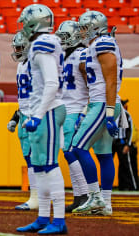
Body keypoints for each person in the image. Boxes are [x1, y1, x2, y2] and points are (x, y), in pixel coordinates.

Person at [16, 4, 67, 234]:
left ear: (33, 22)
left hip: (47, 110)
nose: (23, 26)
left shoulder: (42, 44)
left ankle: (59, 221)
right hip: (42, 110)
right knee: (38, 167)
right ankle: (43, 217)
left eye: (25, 22)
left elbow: (52, 83)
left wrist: (37, 115)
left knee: (50, 166)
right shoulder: (45, 43)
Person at [71, 10, 123, 216]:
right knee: (104, 154)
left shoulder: (103, 43)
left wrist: (109, 111)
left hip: (103, 104)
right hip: (101, 103)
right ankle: (106, 203)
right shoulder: (96, 45)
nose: (82, 32)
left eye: (84, 28)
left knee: (78, 146)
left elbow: (111, 80)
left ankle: (95, 196)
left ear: (94, 27)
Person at [55, 21, 90, 212]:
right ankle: (79, 195)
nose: (62, 41)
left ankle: (85, 194)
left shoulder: (81, 55)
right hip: (65, 108)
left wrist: (86, 109)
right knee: (68, 152)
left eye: (65, 37)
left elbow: (90, 83)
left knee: (70, 152)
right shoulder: (65, 56)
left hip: (76, 107)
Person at [7, 31, 39, 211]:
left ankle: (39, 196)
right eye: (16, 47)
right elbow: (23, 98)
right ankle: (35, 195)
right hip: (24, 115)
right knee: (29, 158)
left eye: (20, 47)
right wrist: (16, 116)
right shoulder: (21, 66)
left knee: (38, 158)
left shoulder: (35, 65)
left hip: (35, 116)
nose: (17, 51)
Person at [113, 99, 138, 190]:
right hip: (111, 142)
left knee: (127, 165)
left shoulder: (126, 115)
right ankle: (120, 186)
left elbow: (130, 130)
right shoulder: (110, 114)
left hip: (122, 142)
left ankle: (133, 186)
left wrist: (128, 144)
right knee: (107, 163)